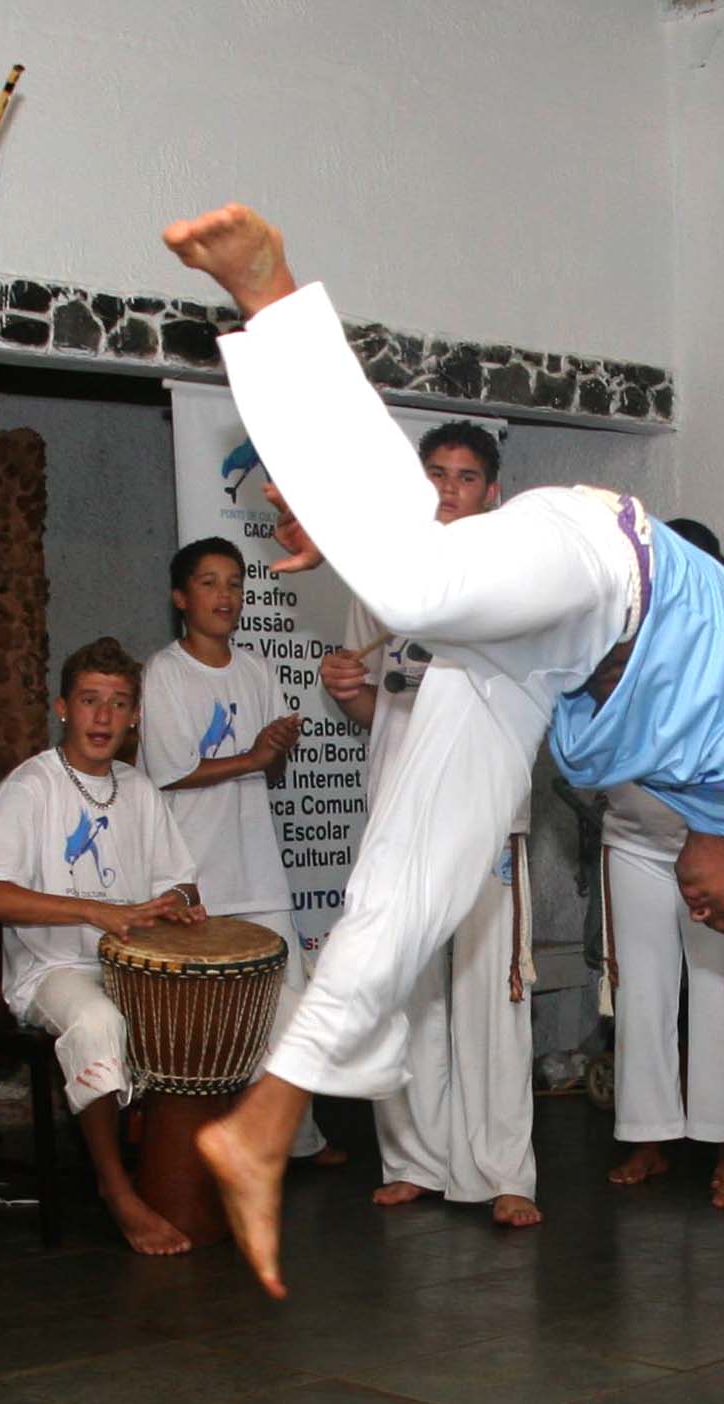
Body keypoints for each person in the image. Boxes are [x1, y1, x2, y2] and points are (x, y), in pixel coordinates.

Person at [160, 203, 724, 1296]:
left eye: (719, 928)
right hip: (609, 570)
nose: (711, 916)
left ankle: (264, 1121)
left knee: (415, 879)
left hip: (540, 671)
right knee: (408, 582)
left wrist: (357, 525)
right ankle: (273, 299)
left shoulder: (686, 802)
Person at [317, 424, 539, 1225]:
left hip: (483, 810)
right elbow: (381, 710)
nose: (449, 489)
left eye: (466, 477)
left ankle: (502, 1170)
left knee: (491, 998)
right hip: (401, 808)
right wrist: (347, 689)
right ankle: (416, 1158)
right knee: (405, 995)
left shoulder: (512, 587)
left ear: (492, 493)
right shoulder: (379, 582)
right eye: (436, 474)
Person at [0, 638, 211, 1255]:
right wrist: (92, 911)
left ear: (135, 717)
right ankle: (117, 1190)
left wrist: (179, 904)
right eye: (89, 701)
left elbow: (177, 879)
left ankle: (185, 1173)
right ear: (62, 708)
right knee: (98, 1020)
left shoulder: (139, 790)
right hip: (50, 968)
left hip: (131, 964)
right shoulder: (30, 788)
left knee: (206, 1009)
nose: (103, 717)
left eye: (118, 703)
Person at [142, 537, 340, 1171]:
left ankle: (296, 1141)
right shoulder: (164, 672)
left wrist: (275, 749)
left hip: (258, 864)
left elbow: (268, 770)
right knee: (209, 1013)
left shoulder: (255, 667)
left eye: (234, 583)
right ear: (181, 597)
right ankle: (210, 1148)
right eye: (209, 583)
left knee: (288, 1001)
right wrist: (256, 754)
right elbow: (169, 771)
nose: (225, 596)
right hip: (196, 868)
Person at [599, 522, 724, 1195]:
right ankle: (649, 1135)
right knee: (642, 992)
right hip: (632, 838)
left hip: (719, 843)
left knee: (720, 991)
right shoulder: (610, 632)